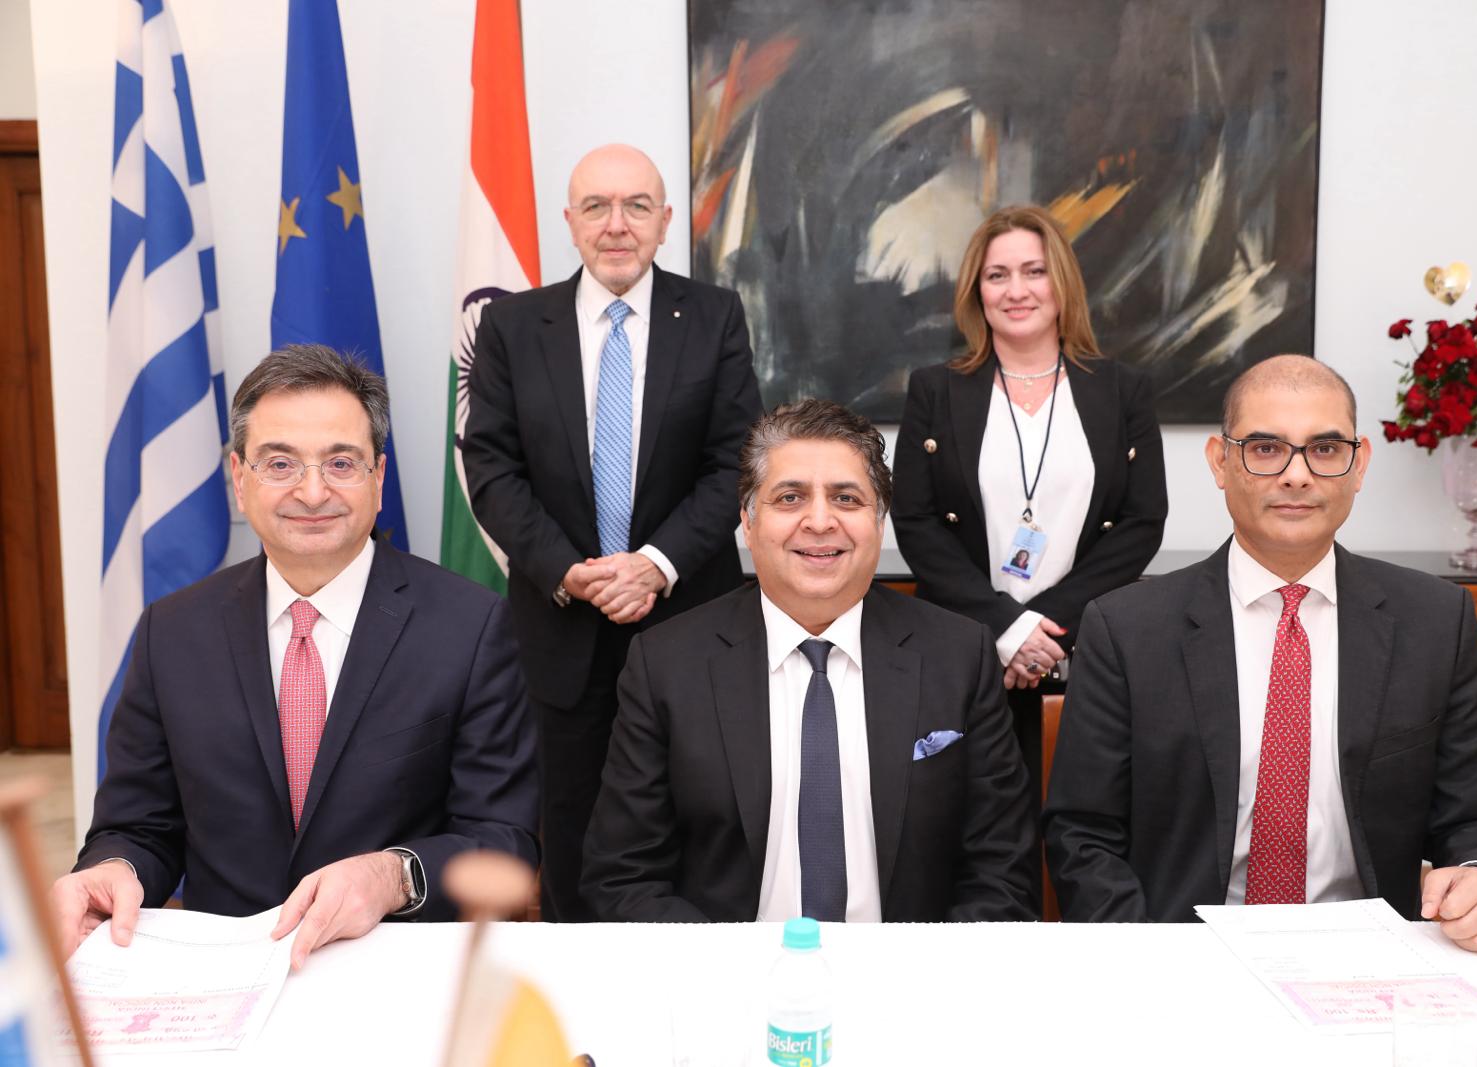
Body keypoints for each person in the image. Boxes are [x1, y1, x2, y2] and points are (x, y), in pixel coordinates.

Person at [53, 345, 538, 968]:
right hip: (223, 972)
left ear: (378, 479)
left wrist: (395, 876)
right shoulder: (170, 632)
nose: (312, 492)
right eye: (280, 463)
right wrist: (112, 869)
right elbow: (138, 827)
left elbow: (505, 841)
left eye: (341, 462)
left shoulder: (470, 627)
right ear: (239, 479)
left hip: (396, 966)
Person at [1043, 355, 1477, 951]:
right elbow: (1083, 834)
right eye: (1266, 448)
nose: (1297, 475)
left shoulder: (1435, 621)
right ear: (1220, 462)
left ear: (1359, 464)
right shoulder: (1126, 629)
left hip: (1370, 955)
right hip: (1184, 952)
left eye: (1325, 449)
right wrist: (1153, 959)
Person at [581, 400, 1036, 922]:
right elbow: (623, 877)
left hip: (909, 967)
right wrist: (728, 969)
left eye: (846, 498)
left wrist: (919, 971)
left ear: (879, 522)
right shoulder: (667, 664)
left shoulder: (958, 656)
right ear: (747, 523)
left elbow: (1003, 872)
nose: (820, 522)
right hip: (727, 967)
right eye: (790, 497)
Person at [462, 144, 763, 921]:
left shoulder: (716, 316)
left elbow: (737, 462)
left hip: (691, 619)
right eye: (596, 206)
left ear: (666, 221)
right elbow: (490, 467)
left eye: (636, 206)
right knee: (571, 830)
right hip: (562, 624)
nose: (616, 224)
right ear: (570, 221)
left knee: (701, 819)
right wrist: (570, 570)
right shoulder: (512, 325)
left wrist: (655, 563)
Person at [892, 204, 1167, 829]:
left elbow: (1142, 522)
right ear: (977, 291)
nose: (1016, 290)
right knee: (971, 828)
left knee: (1081, 826)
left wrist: (1047, 629)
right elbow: (916, 522)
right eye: (997, 275)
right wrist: (1006, 629)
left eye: (1034, 271)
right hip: (966, 651)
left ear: (1061, 282)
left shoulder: (1122, 389)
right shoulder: (935, 389)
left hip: (1082, 653)